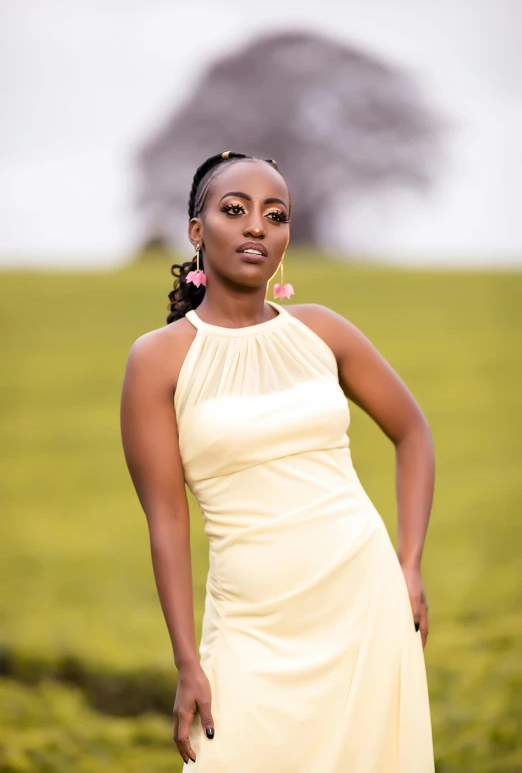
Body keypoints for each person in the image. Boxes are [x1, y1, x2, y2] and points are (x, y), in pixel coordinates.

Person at [120, 151, 435, 772]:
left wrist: (410, 563)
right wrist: (188, 660)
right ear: (196, 229)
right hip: (250, 625)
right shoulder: (157, 360)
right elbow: (166, 522)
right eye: (234, 210)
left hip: (362, 601)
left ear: (288, 235)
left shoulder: (323, 331)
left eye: (275, 214)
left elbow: (414, 434)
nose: (256, 227)